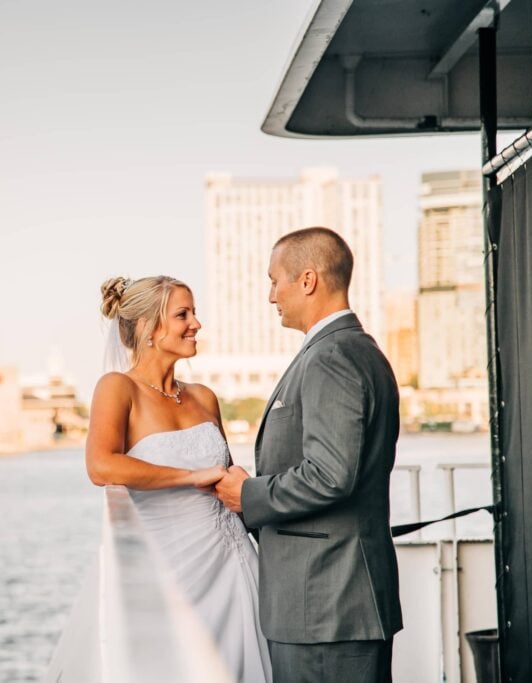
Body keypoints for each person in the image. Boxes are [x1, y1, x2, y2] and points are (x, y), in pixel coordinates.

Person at [213, 227, 402, 683]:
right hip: (332, 602)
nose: (270, 295)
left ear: (308, 280)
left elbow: (331, 475)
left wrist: (248, 495)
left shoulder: (331, 356)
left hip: (325, 603)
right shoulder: (357, 350)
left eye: (274, 280)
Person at [85, 274, 272, 683]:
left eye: (194, 313)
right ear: (151, 328)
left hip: (234, 561)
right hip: (174, 569)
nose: (196, 324)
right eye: (183, 314)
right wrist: (190, 476)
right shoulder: (118, 388)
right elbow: (101, 466)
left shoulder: (204, 396)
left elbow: (227, 484)